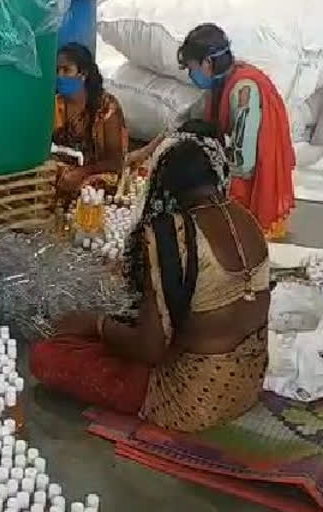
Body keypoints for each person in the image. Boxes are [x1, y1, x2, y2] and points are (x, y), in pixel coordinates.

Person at [30, 122, 270, 432]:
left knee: (48, 355)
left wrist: (96, 324)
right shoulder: (246, 219)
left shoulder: (173, 232)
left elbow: (149, 350)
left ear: (164, 183)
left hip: (190, 400)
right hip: (247, 384)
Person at [129, 24, 295, 240]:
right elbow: (184, 121)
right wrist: (147, 151)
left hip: (255, 190)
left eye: (191, 68)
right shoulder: (219, 84)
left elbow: (244, 164)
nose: (191, 75)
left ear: (207, 63)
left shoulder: (244, 91)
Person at [53, 43, 128, 199]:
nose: (60, 76)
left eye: (67, 70)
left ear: (83, 73)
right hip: (64, 172)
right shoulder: (56, 104)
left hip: (94, 174)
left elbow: (115, 162)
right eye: (57, 71)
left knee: (94, 189)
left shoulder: (107, 109)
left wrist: (82, 172)